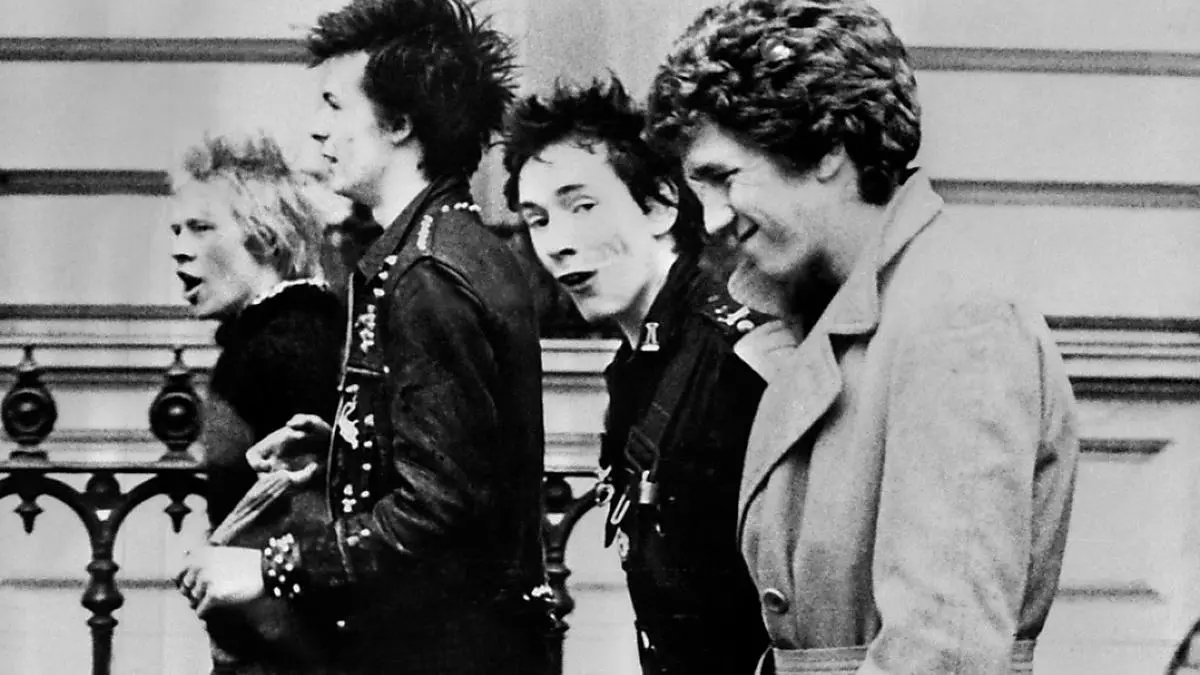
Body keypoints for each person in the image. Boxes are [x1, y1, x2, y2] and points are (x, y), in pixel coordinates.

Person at [647, 1, 1081, 673]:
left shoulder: (955, 322)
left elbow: (944, 654)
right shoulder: (834, 308)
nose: (711, 219)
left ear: (827, 148)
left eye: (725, 178)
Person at [176, 1, 551, 674]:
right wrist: (343, 450)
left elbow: (439, 512)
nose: (316, 129)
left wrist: (272, 565)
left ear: (400, 122)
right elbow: (462, 468)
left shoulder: (428, 273)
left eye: (334, 105)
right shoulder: (443, 250)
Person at [503, 76, 786, 675]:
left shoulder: (739, 359)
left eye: (582, 206)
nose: (558, 244)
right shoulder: (640, 363)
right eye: (538, 220)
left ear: (659, 205)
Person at [168, 133, 344, 672]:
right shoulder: (278, 337)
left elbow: (312, 512)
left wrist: (253, 636)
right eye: (176, 230)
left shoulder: (285, 348)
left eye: (201, 227)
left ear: (266, 236)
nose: (179, 248)